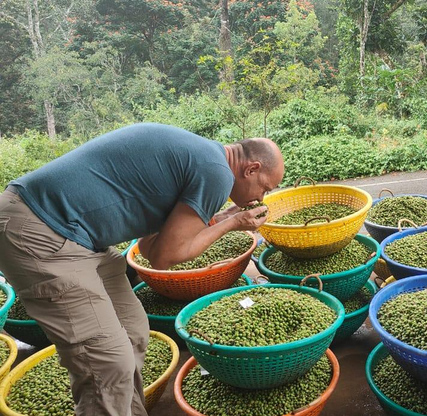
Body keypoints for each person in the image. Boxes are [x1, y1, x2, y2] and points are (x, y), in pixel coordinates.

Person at [0, 123, 284, 416]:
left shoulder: (203, 159)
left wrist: (217, 219)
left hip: (80, 236)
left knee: (133, 330)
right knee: (108, 363)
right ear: (251, 169)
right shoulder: (216, 173)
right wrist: (234, 223)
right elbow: (165, 258)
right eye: (265, 187)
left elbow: (150, 248)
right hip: (40, 228)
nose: (261, 198)